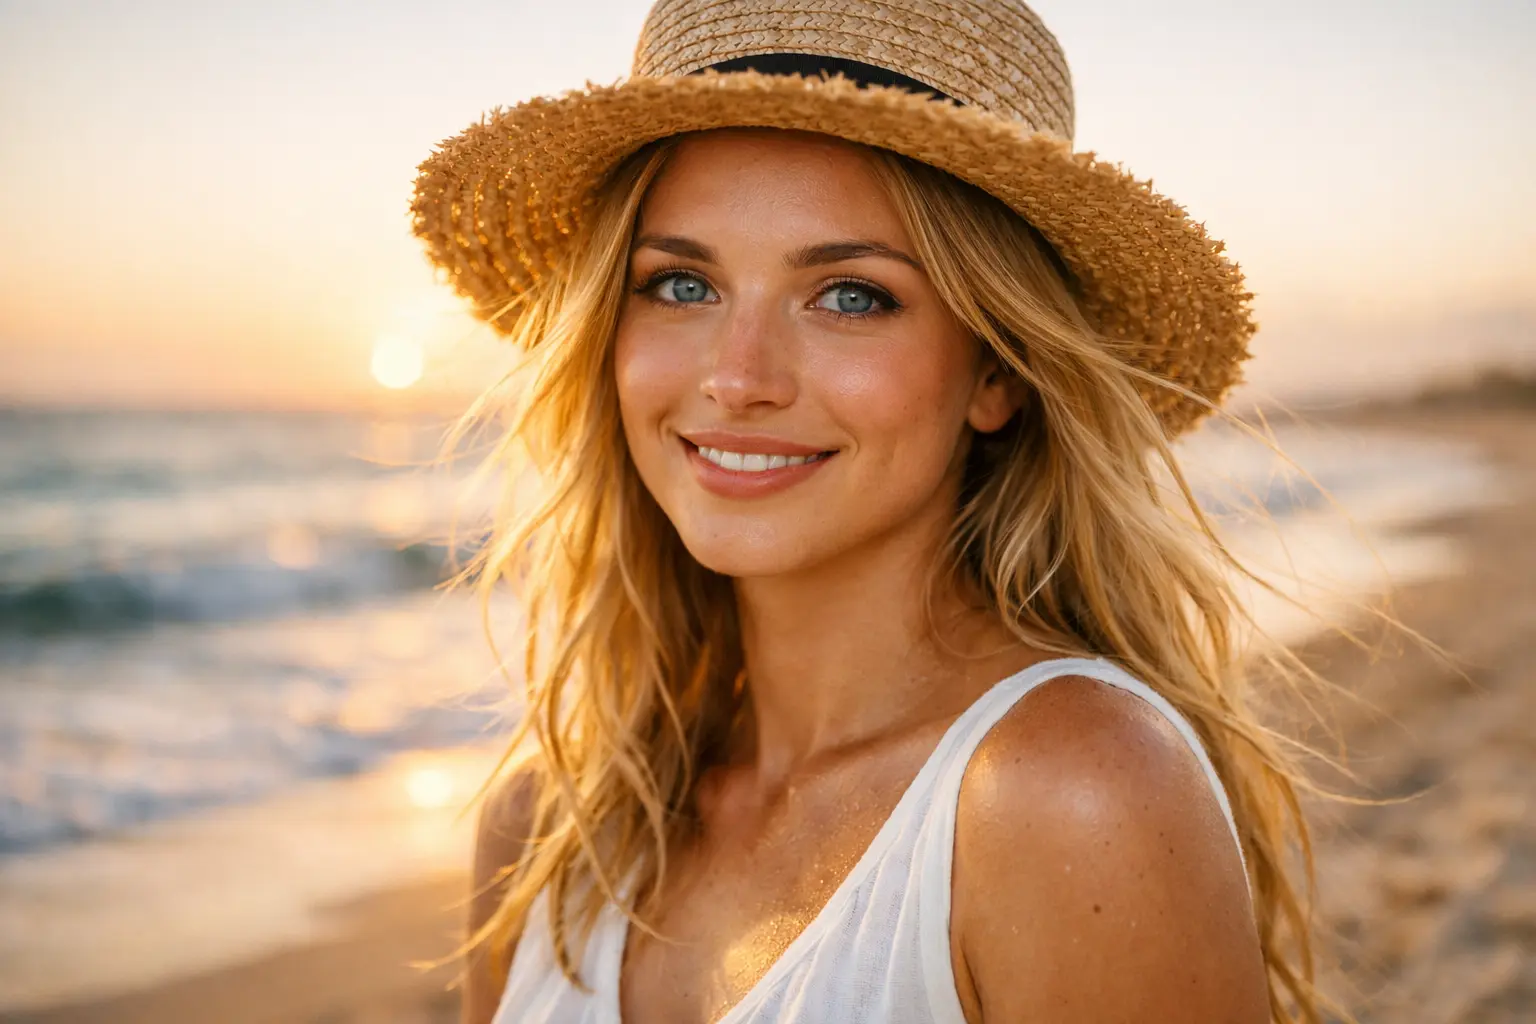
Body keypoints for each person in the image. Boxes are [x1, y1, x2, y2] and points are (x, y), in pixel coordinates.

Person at [412, 1, 1321, 1021]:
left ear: (998, 370)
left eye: (850, 296)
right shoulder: (547, 829)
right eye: (680, 284)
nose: (738, 378)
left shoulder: (1072, 792)